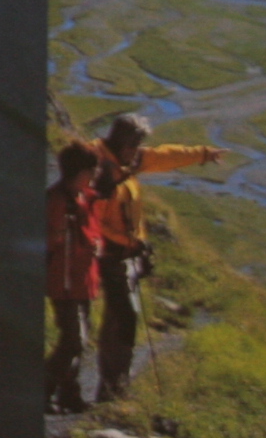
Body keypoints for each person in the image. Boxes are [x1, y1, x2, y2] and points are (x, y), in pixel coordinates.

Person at [82, 111, 222, 400]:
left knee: (119, 317)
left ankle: (111, 387)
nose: (138, 152)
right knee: (125, 316)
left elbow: (162, 156)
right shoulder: (99, 171)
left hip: (126, 253)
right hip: (111, 255)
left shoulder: (125, 159)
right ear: (122, 142)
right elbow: (92, 220)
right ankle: (114, 389)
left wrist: (203, 154)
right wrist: (127, 242)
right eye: (134, 145)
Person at [45, 141, 106, 412]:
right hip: (64, 281)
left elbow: (94, 233)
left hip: (83, 280)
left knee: (79, 339)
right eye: (92, 170)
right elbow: (49, 242)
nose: (95, 175)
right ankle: (43, 389)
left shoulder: (86, 198)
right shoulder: (57, 201)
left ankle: (69, 394)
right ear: (79, 172)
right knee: (74, 340)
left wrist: (97, 245)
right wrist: (58, 234)